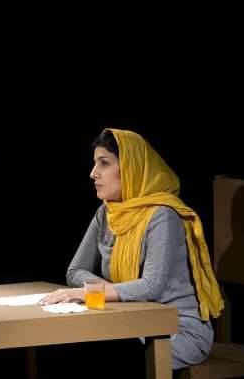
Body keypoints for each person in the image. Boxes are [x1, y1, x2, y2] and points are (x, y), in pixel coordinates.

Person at [38, 128, 224, 370]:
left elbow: (151, 286)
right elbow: (75, 271)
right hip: (128, 318)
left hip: (176, 328)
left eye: (104, 163)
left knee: (114, 357)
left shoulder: (162, 215)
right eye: (95, 163)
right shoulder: (106, 213)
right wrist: (104, 290)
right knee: (66, 348)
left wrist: (90, 293)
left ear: (130, 167)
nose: (93, 173)